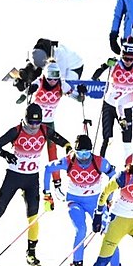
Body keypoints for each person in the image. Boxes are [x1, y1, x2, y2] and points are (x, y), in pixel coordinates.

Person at [0, 104, 72, 266]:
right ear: (25, 120)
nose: (34, 127)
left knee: (33, 218)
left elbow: (62, 141)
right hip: (13, 177)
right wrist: (6, 154)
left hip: (32, 180)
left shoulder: (44, 130)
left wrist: (69, 148)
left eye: (37, 123)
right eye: (31, 123)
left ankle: (31, 253)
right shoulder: (16, 130)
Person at [43, 134, 120, 266]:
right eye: (80, 153)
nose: (83, 157)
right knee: (81, 229)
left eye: (86, 153)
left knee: (109, 233)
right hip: (75, 202)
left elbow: (114, 176)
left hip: (96, 203)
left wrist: (110, 197)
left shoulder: (99, 162)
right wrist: (47, 194)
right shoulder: (68, 161)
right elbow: (48, 168)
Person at [25, 60, 80, 191]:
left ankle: (57, 183)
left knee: (52, 152)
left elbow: (77, 97)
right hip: (34, 124)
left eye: (55, 79)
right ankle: (26, 179)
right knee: (30, 151)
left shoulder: (61, 84)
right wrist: (28, 89)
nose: (52, 82)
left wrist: (81, 94)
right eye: (50, 79)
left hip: (49, 123)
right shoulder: (40, 82)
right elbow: (24, 94)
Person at [91, 41, 133, 159]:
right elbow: (94, 76)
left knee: (127, 141)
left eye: (130, 59)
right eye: (125, 58)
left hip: (126, 108)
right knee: (107, 139)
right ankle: (100, 165)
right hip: (109, 105)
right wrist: (104, 65)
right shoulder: (115, 64)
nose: (128, 62)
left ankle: (128, 168)